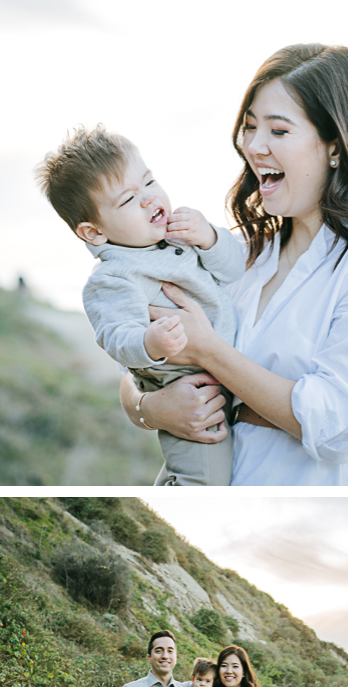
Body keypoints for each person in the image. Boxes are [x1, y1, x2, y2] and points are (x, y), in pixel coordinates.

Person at [120, 42, 348, 485]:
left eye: (279, 132)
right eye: (250, 128)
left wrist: (208, 350)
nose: (254, 146)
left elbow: (338, 426)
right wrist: (150, 409)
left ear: (336, 147)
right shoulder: (240, 251)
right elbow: (134, 356)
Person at [35, 126, 246, 485]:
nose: (150, 199)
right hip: (190, 390)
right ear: (94, 232)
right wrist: (151, 342)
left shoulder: (179, 234)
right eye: (129, 200)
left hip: (225, 377)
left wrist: (209, 237)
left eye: (149, 183)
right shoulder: (114, 277)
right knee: (203, 479)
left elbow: (235, 267)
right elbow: (117, 337)